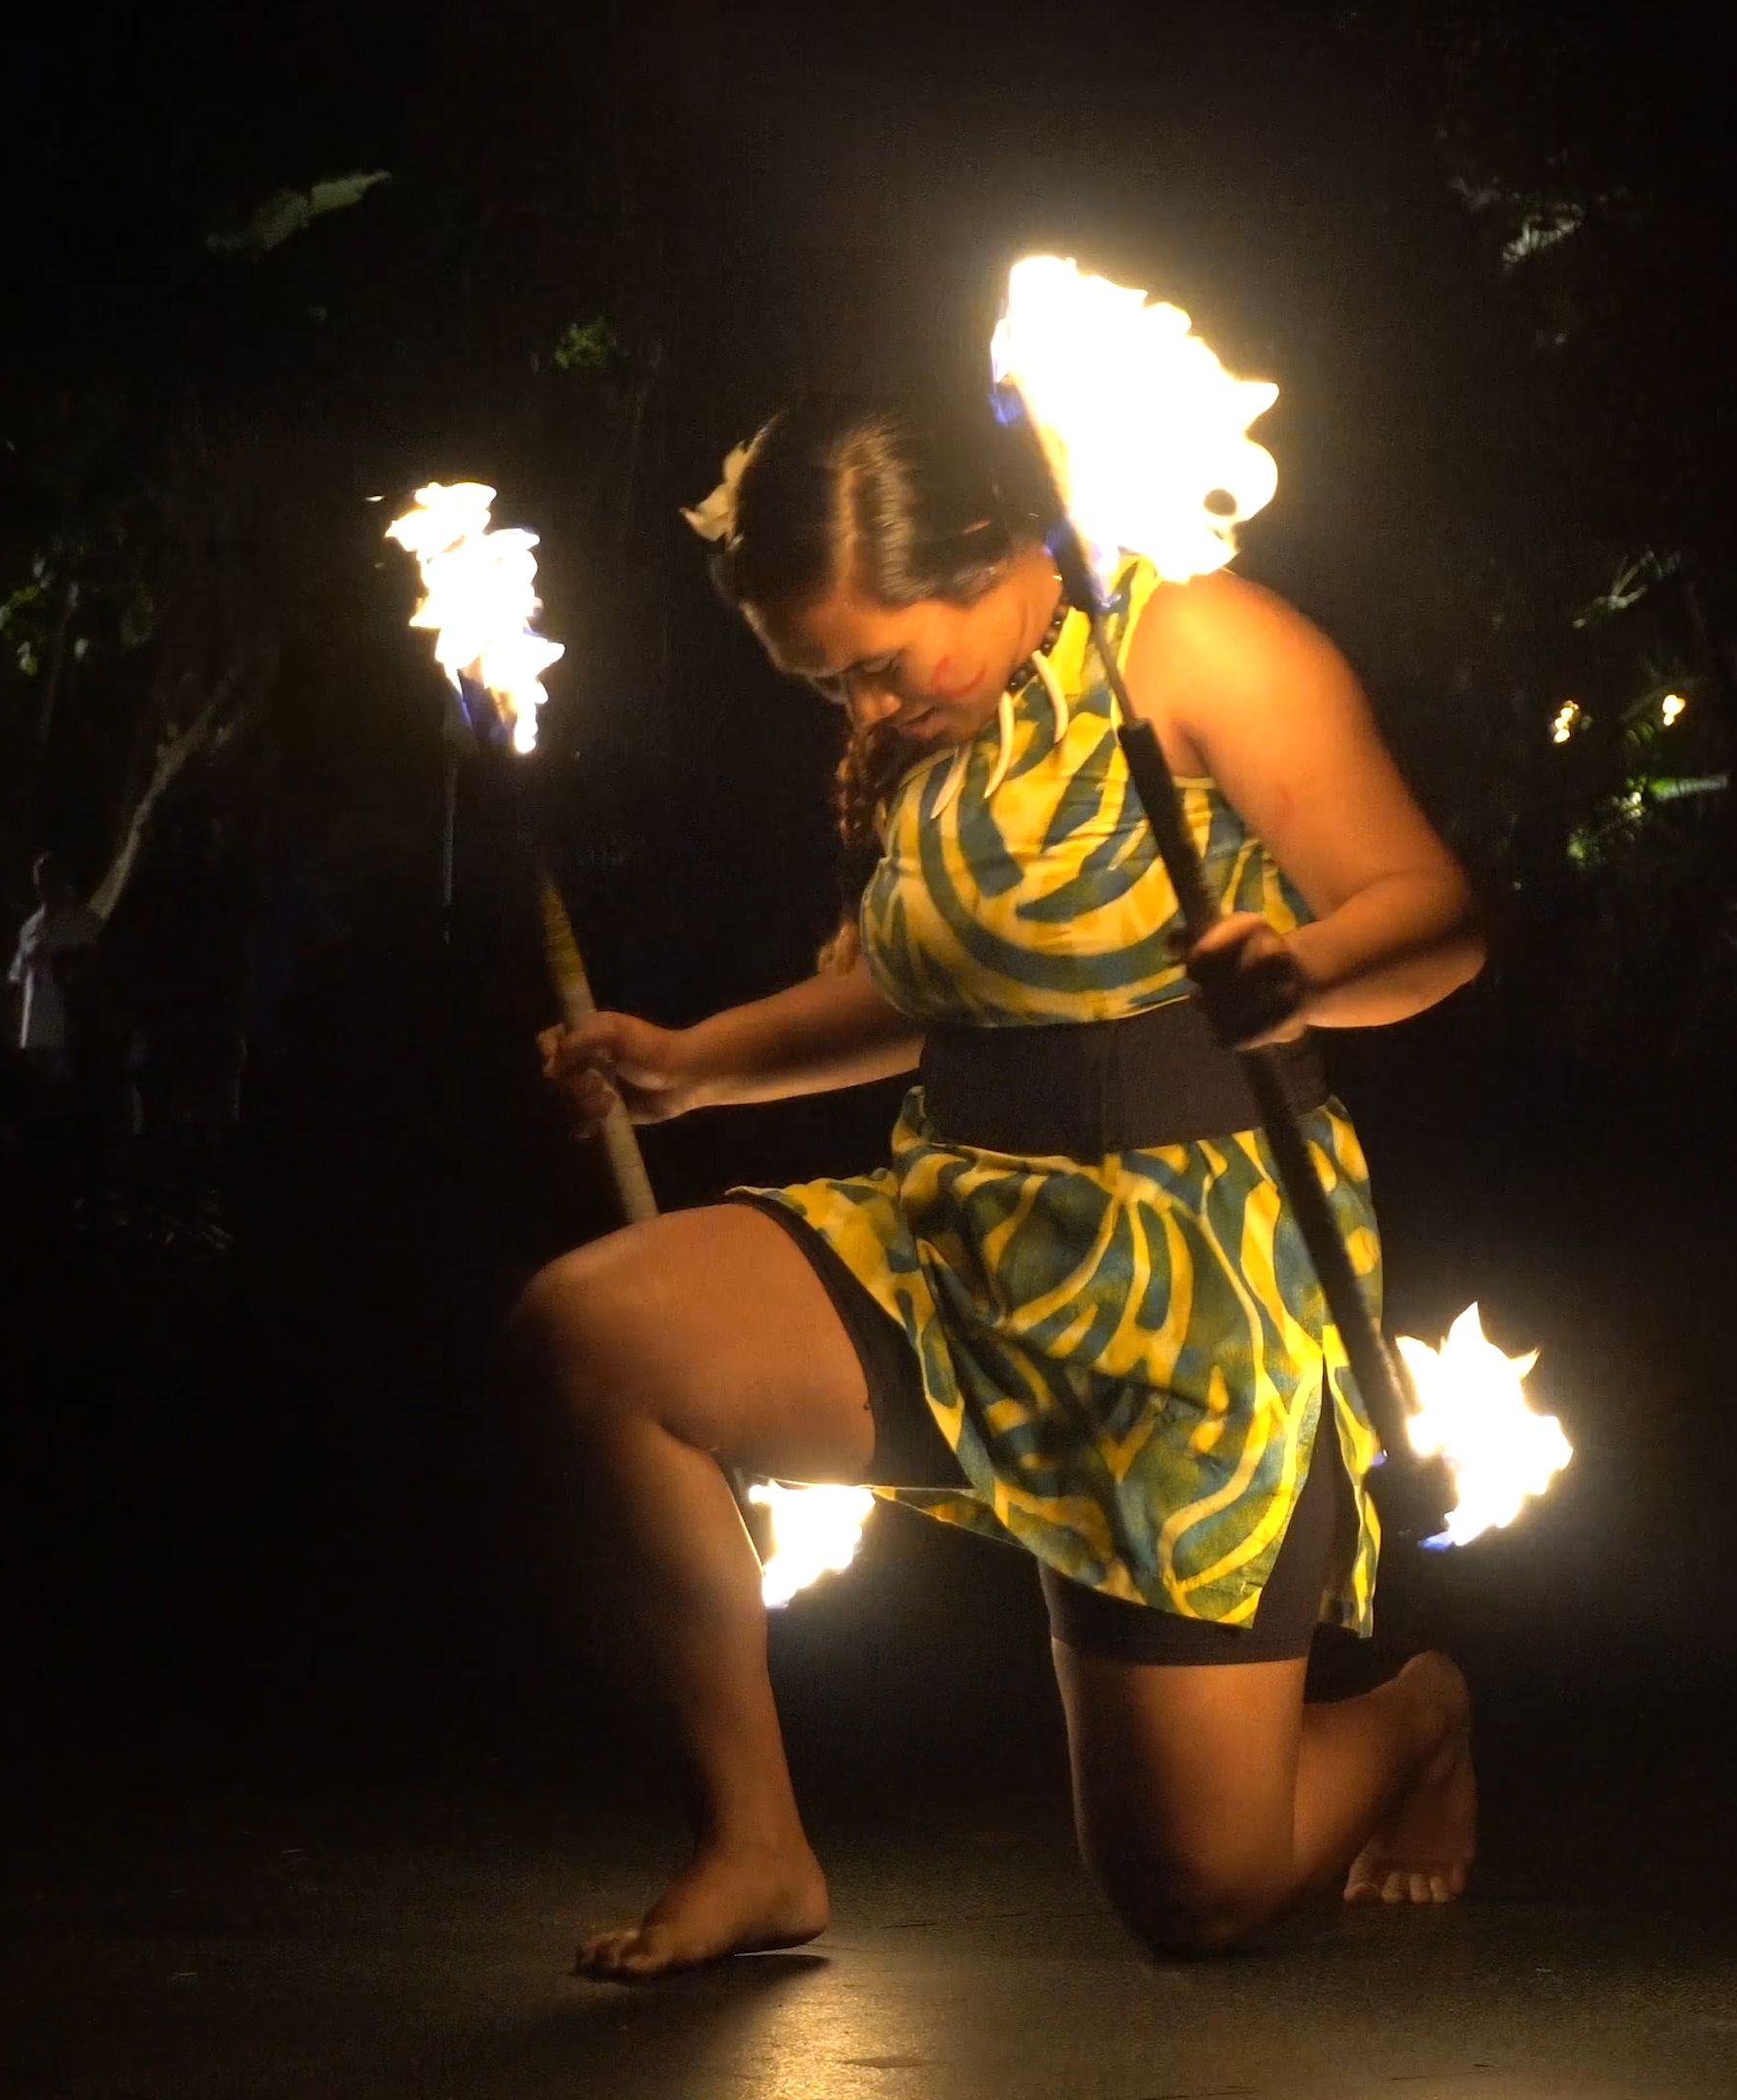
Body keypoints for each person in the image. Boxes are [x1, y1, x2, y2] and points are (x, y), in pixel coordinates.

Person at [525, 396, 1486, 1979]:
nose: (865, 699)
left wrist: (1302, 972)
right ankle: (756, 1843)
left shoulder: (1200, 646)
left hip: (1192, 1291)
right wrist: (695, 1064)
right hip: (960, 1239)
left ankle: (1422, 1717)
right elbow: (933, 994)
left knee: (1199, 1893)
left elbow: (1434, 920)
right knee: (595, 1334)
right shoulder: (922, 737)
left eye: (878, 659)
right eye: (826, 678)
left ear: (986, 554)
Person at [8, 853, 103, 1083]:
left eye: (50, 878)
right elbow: (17, 978)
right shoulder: (29, 928)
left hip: (70, 1034)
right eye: (40, 880)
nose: (44, 886)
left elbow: (98, 972)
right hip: (33, 1035)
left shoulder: (86, 924)